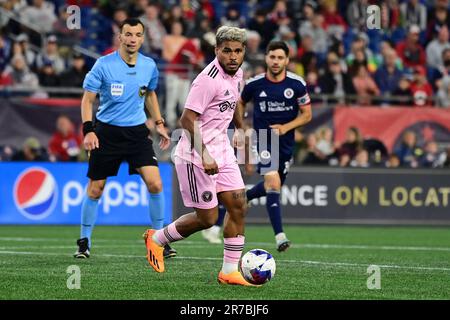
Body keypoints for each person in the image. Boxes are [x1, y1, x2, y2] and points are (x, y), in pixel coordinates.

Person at [143, 26, 257, 286]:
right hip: (195, 154)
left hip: (223, 151)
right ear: (217, 51)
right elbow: (186, 119)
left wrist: (241, 129)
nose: (232, 56)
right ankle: (157, 239)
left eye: (238, 51)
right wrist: (205, 154)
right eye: (226, 51)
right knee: (207, 219)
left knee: (239, 206)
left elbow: (235, 101)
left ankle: (229, 271)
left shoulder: (237, 73)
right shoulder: (207, 79)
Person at [74, 18, 174, 260]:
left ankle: (159, 239)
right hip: (106, 133)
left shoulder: (149, 65)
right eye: (128, 34)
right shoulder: (104, 65)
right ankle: (84, 241)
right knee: (96, 189)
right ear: (120, 37)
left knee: (156, 183)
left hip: (137, 133)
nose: (132, 39)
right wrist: (89, 130)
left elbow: (149, 94)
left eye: (137, 35)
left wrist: (159, 123)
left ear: (142, 38)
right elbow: (87, 100)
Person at [238, 41, 312, 252]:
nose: (276, 61)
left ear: (287, 60)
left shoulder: (297, 84)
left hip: (286, 143)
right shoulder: (255, 84)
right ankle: (280, 236)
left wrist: (286, 127)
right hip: (263, 139)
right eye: (272, 57)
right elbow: (240, 102)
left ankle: (246, 196)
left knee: (275, 185)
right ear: (266, 58)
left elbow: (307, 114)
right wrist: (242, 126)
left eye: (280, 58)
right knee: (273, 183)